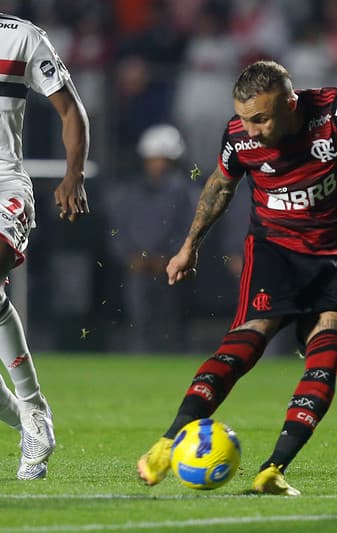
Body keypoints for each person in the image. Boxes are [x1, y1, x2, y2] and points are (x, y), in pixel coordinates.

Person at [136, 60, 337, 495]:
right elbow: (220, 186)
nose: (252, 130)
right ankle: (167, 444)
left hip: (334, 258)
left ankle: (273, 470)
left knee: (328, 351)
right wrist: (190, 246)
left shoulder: (332, 109)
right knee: (248, 341)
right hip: (273, 253)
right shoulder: (239, 136)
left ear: (290, 104)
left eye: (261, 119)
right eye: (244, 118)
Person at [0, 13, 90, 479]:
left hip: (5, 186)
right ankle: (30, 424)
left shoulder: (20, 37)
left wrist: (73, 174)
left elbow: (70, 109)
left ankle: (34, 407)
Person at [106, 124, 195, 353]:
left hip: (172, 269)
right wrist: (129, 257)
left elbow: (190, 230)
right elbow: (118, 229)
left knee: (173, 323)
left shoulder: (184, 194)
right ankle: (138, 358)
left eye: (162, 159)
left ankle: (174, 360)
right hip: (137, 269)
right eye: (153, 159)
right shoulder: (129, 193)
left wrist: (171, 257)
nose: (157, 164)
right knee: (139, 321)